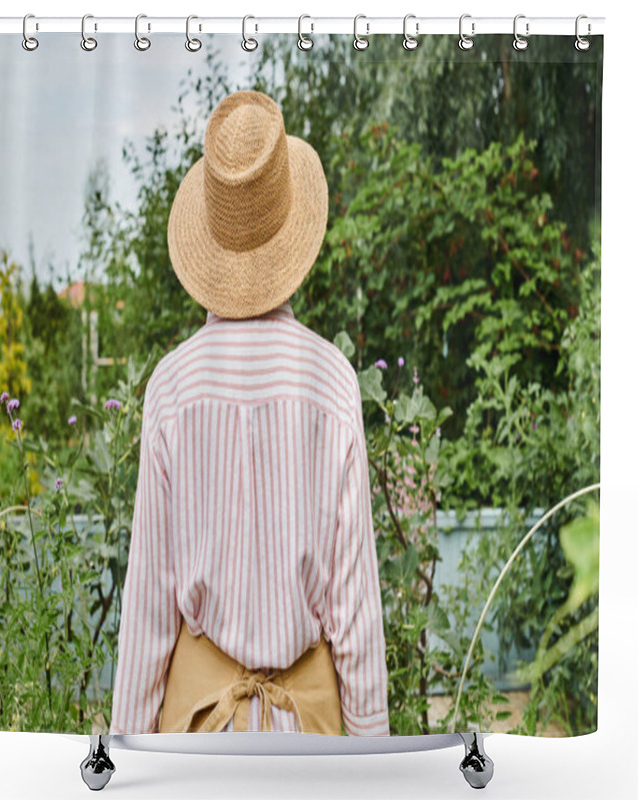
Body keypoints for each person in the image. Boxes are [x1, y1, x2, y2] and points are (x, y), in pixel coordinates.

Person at [109, 90, 389, 736]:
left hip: (200, 735)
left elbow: (150, 604)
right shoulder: (332, 382)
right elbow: (355, 612)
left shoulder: (172, 388)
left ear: (209, 238)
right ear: (293, 236)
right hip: (310, 738)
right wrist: (376, 754)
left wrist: (126, 748)